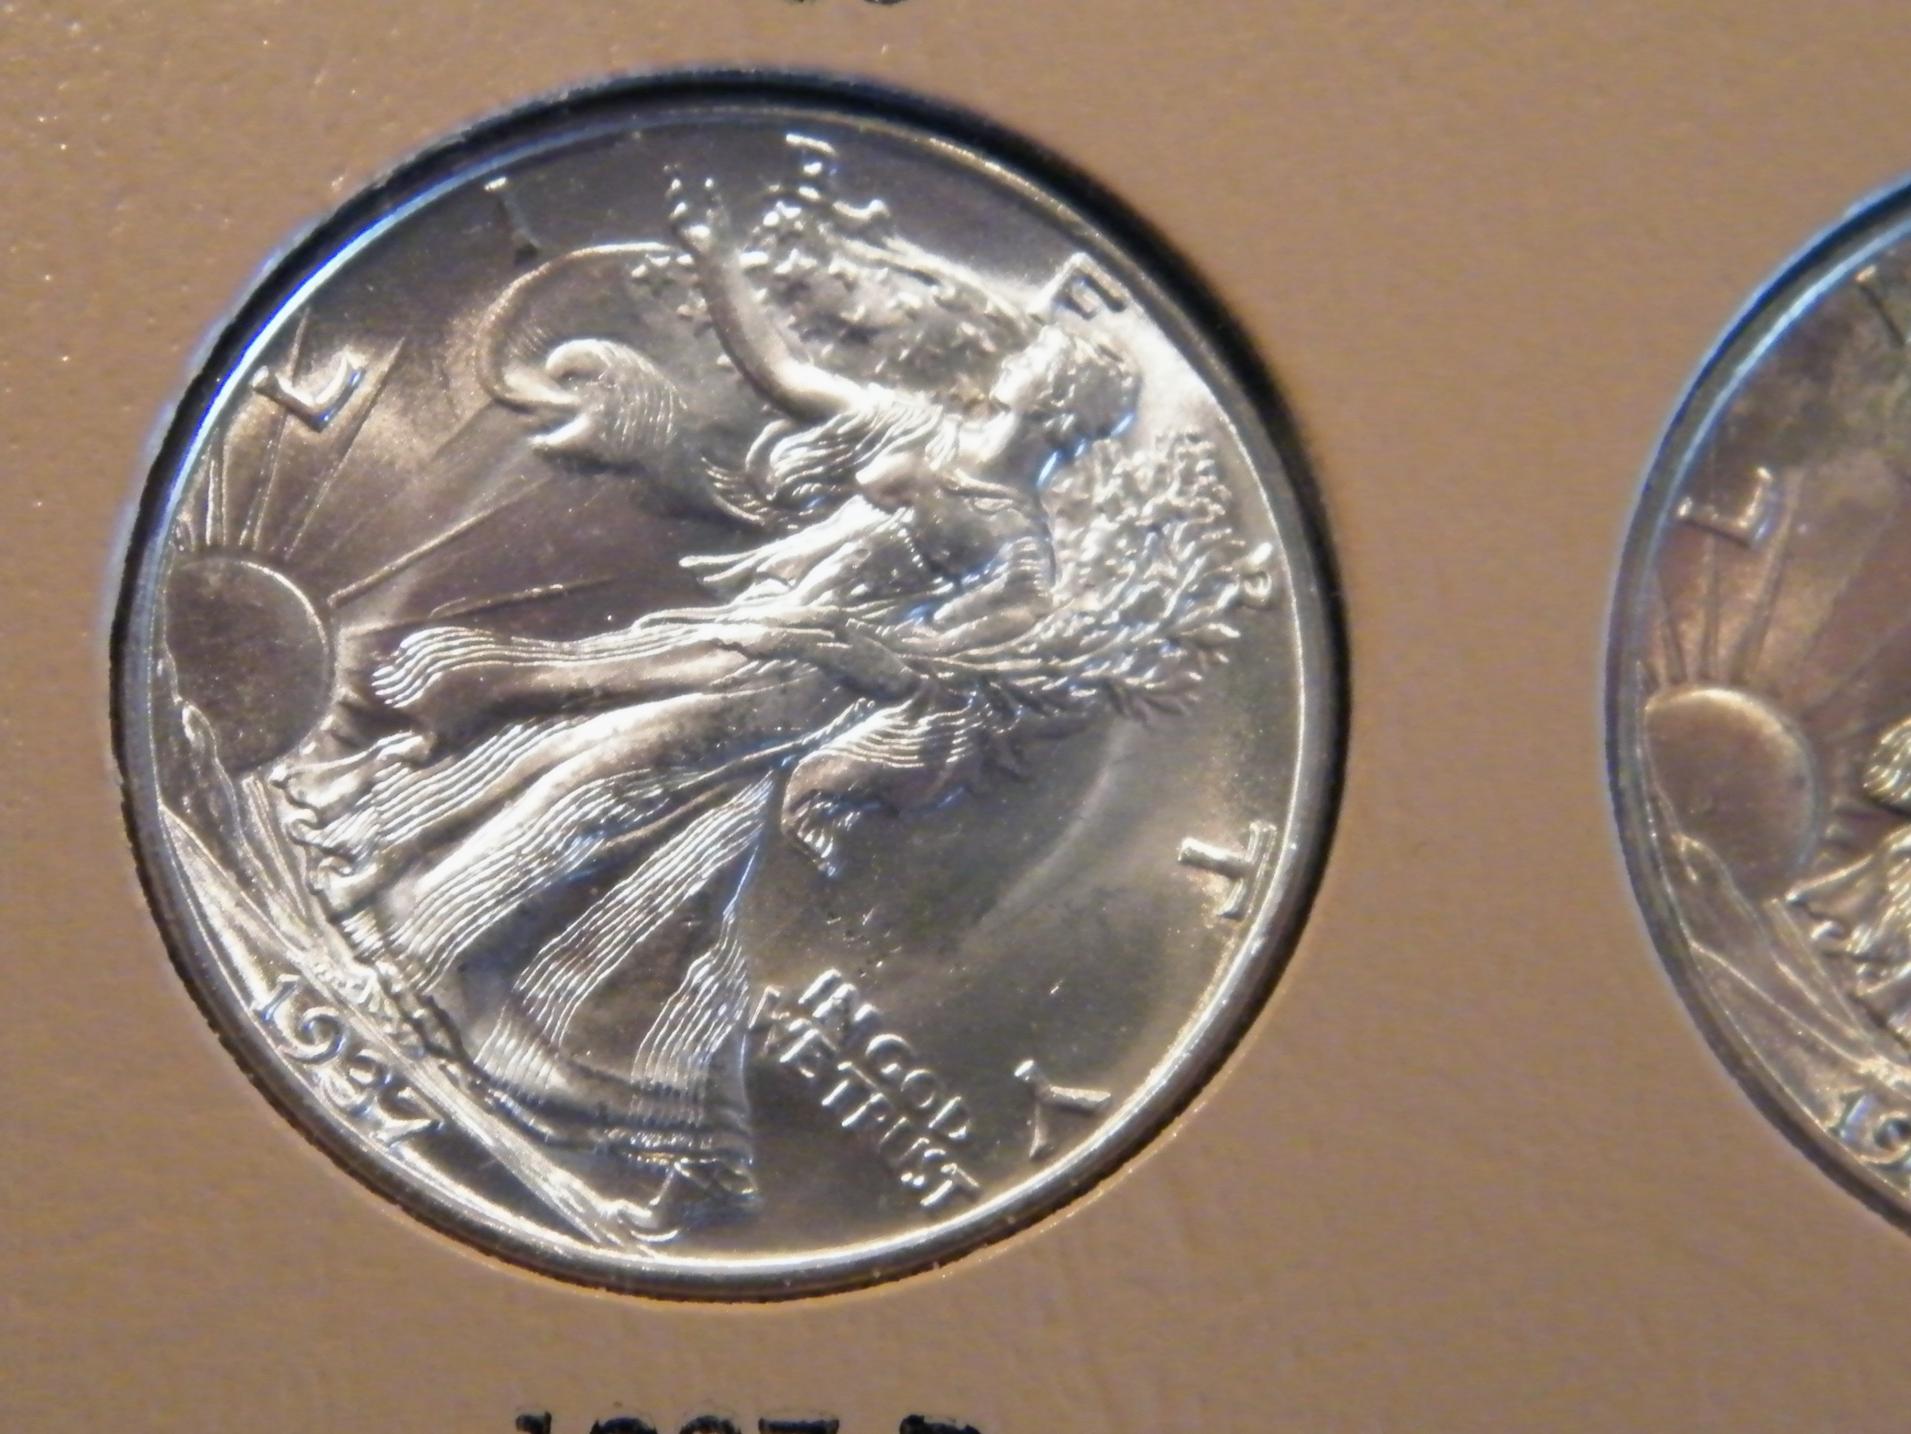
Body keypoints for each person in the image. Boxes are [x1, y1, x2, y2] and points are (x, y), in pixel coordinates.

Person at [272, 170, 1140, 1213]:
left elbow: (936, 672)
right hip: (735, 635)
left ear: (1059, 402)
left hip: (789, 691)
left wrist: (845, 648)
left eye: (1045, 365)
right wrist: (716, 255)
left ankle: (425, 971)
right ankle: (465, 990)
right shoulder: (913, 428)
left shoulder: (1022, 553)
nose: (1022, 361)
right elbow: (781, 370)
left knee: (583, 786)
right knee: (563, 773)